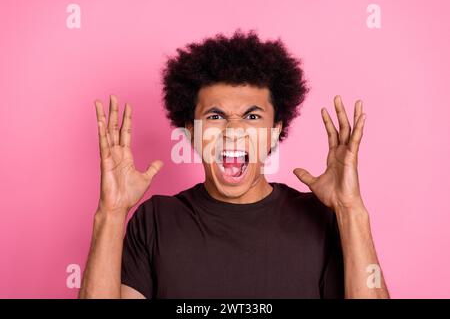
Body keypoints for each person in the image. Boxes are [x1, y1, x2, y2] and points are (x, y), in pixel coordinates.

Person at [79, 30, 389, 299]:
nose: (233, 130)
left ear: (275, 131)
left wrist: (351, 210)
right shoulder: (155, 220)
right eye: (215, 116)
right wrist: (111, 212)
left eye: (252, 116)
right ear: (192, 131)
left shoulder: (321, 219)